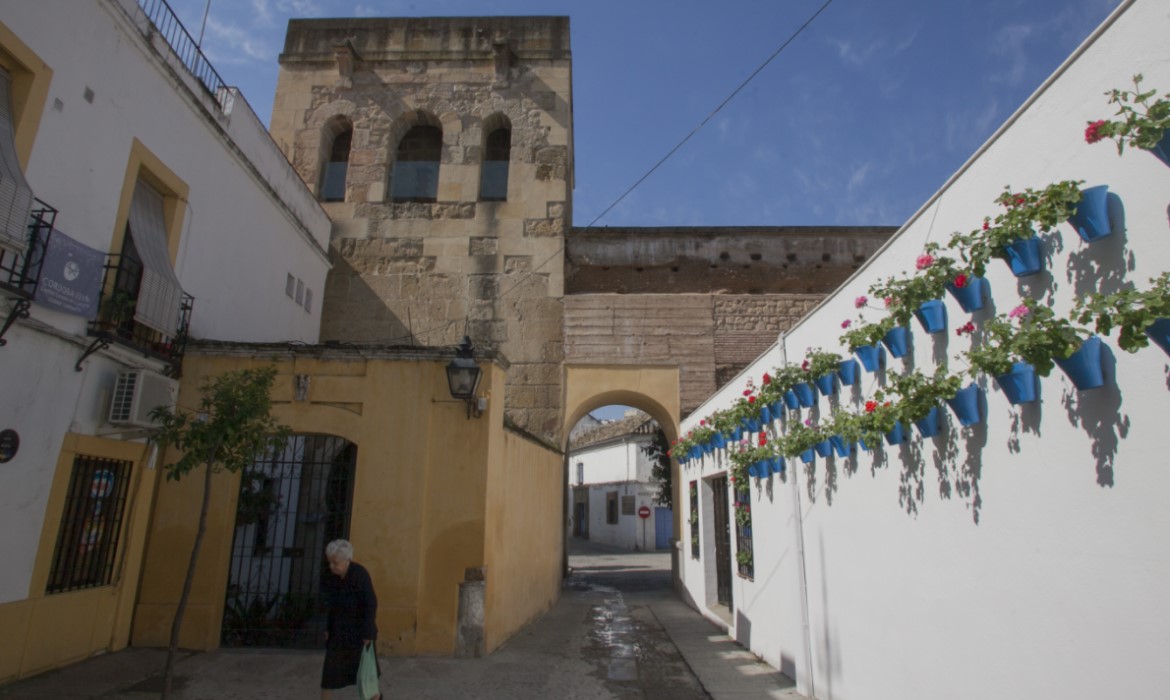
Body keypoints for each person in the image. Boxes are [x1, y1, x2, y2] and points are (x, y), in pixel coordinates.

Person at [321, 539, 381, 700]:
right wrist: (328, 628)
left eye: (336, 563)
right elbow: (333, 606)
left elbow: (370, 603)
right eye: (330, 562)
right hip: (339, 633)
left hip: (359, 634)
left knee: (366, 676)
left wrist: (368, 632)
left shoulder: (359, 574)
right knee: (329, 675)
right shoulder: (334, 578)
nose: (332, 566)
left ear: (347, 560)